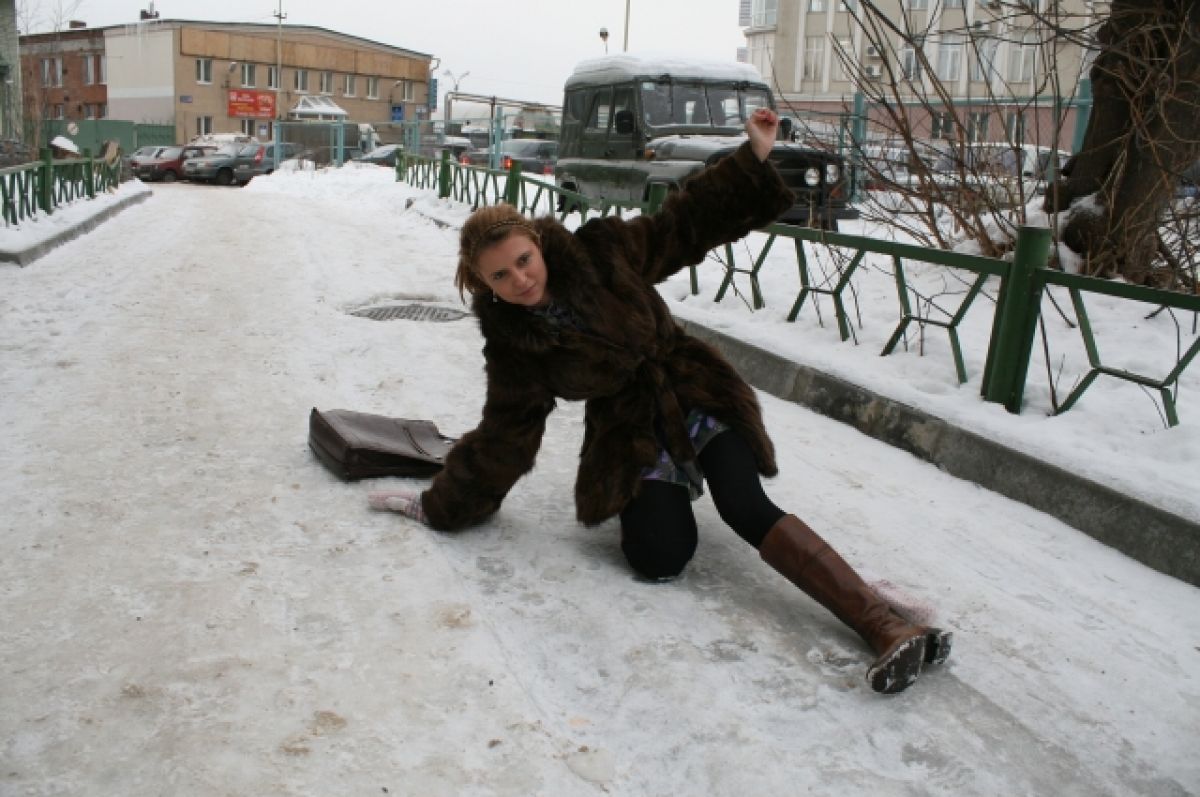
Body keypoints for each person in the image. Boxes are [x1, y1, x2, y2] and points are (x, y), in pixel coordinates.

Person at [370, 108, 951, 694]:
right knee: (659, 557)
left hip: (694, 389)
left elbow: (684, 223)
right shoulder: (515, 345)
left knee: (743, 504)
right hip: (628, 428)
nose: (520, 279)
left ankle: (879, 617)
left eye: (523, 260)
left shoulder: (602, 252)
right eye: (500, 276)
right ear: (482, 284)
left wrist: (752, 158)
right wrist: (444, 505)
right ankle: (693, 507)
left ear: (539, 245)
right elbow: (507, 433)